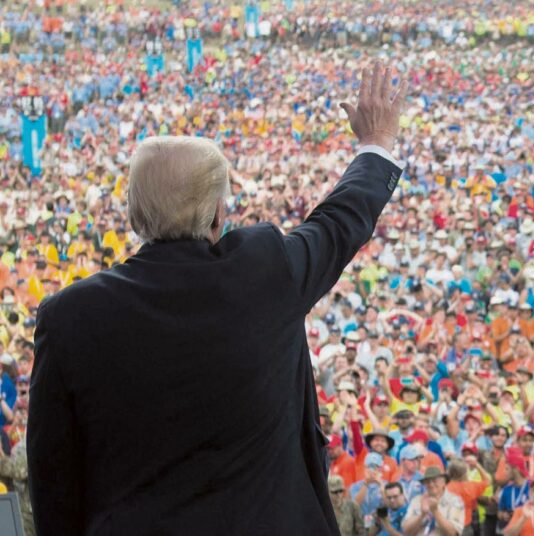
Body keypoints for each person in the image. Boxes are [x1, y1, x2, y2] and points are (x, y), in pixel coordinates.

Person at [27, 61, 410, 535]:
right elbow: (340, 221)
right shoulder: (265, 272)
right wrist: (376, 143)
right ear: (217, 214)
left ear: (133, 215)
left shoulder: (69, 315)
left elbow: (52, 478)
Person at [402, 466, 464, 536]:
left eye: (435, 481)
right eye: (427, 481)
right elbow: (406, 531)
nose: (431, 484)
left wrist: (435, 511)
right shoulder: (416, 500)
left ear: (444, 482)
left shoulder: (455, 501)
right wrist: (422, 515)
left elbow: (453, 533)